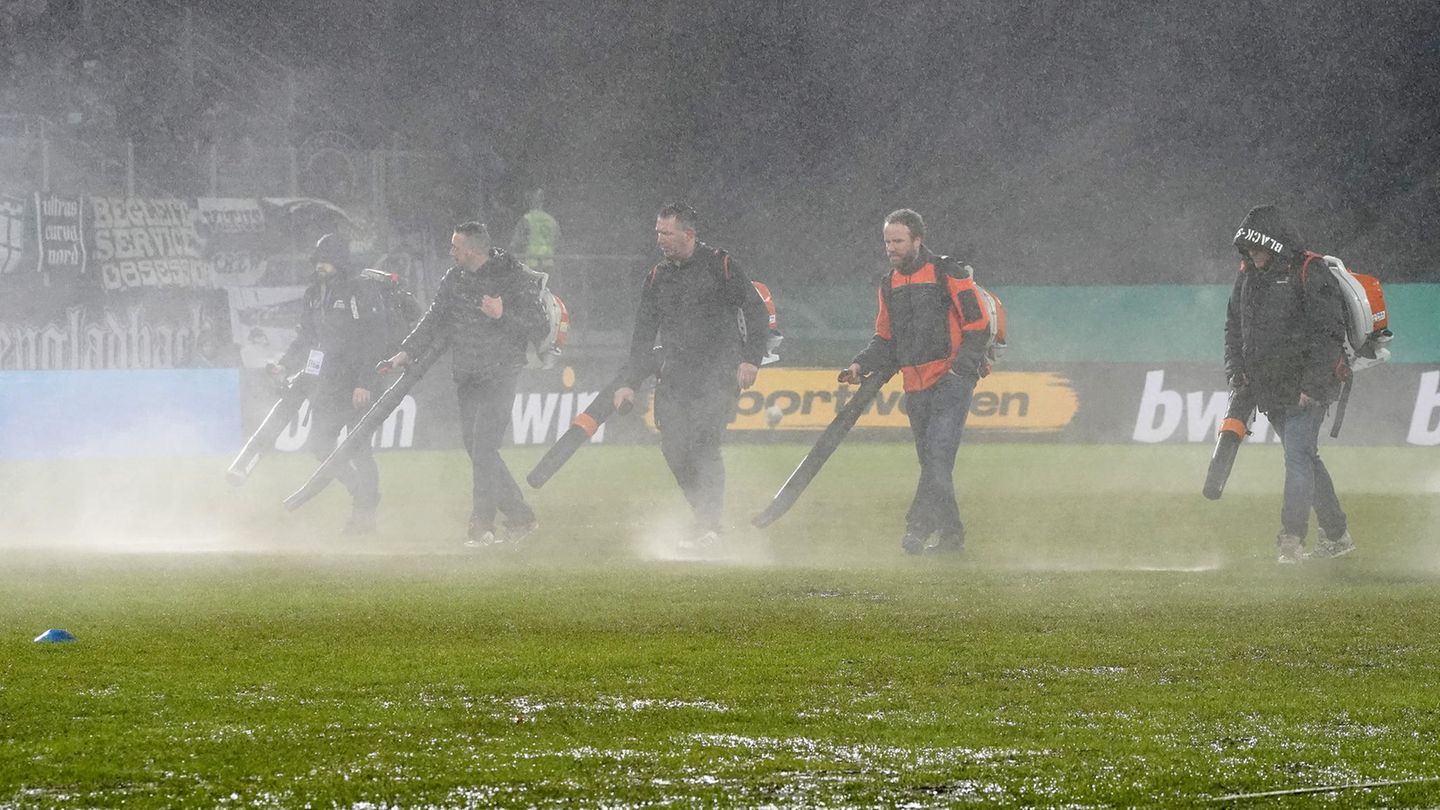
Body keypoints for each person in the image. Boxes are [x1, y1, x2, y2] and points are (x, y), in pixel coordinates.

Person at [613, 203, 770, 550]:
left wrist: (750, 359)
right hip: (674, 380)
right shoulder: (656, 277)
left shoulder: (721, 265)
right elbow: (643, 334)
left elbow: (755, 311)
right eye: (657, 232)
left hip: (717, 377)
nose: (659, 240)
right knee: (674, 449)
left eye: (666, 233)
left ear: (688, 234)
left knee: (703, 444)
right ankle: (705, 518)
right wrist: (629, 382)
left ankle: (708, 525)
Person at [386, 222, 548, 548]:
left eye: (455, 247)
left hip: (501, 374)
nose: (451, 252)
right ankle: (520, 516)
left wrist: (502, 314)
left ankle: (482, 526)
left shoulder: (512, 276)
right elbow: (433, 319)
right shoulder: (454, 278)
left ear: (472, 249)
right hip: (468, 375)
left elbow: (539, 326)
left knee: (484, 448)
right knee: (476, 449)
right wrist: (405, 352)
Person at [841, 209, 991, 555]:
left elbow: (978, 323)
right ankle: (952, 536)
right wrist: (859, 365)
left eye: (898, 241)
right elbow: (886, 339)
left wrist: (960, 372)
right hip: (915, 386)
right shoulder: (888, 283)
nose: (890, 247)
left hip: (950, 383)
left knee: (937, 457)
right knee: (933, 465)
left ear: (917, 240)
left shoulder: (945, 271)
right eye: (887, 241)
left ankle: (917, 527)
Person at [1225, 204, 1355, 563]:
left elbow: (1328, 334)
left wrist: (1312, 387)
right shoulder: (1247, 277)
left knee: (1297, 458)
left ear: (1276, 244)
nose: (1253, 254)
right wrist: (1236, 371)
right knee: (1306, 459)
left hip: (1307, 390)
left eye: (1258, 248)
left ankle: (1291, 540)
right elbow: (1234, 329)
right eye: (1248, 249)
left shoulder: (1310, 274)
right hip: (1270, 390)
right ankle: (1338, 536)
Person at [270, 233, 389, 534]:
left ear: (339, 261)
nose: (320, 266)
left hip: (359, 385)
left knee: (359, 449)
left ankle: (364, 518)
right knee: (320, 445)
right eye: (317, 261)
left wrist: (365, 382)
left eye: (326, 261)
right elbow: (307, 340)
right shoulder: (312, 294)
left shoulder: (359, 290)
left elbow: (375, 340)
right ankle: (362, 494)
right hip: (329, 384)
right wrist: (284, 363)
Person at [508, 188, 560, 274]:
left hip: (532, 263)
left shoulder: (526, 219)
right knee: (549, 286)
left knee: (531, 287)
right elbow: (558, 241)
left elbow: (516, 243)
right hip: (549, 262)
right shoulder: (551, 220)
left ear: (529, 201)